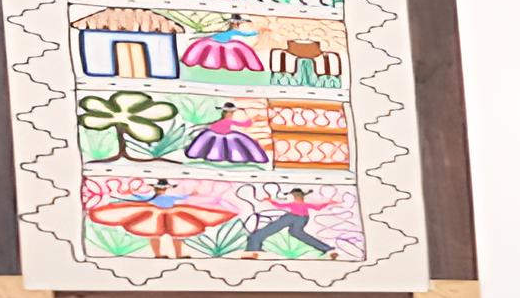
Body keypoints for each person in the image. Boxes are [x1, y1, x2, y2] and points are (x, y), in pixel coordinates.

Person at [87, 179, 238, 259]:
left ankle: (179, 255)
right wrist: (129, 193)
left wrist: (193, 194)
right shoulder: (150, 197)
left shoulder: (170, 196)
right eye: (159, 188)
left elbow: (183, 196)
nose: (161, 190)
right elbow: (137, 197)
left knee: (178, 234)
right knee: (155, 234)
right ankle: (159, 255)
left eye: (163, 188)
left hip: (172, 213)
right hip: (154, 214)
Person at [242, 189, 338, 258]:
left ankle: (253, 247)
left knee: (273, 228)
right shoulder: (303, 204)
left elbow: (279, 205)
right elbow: (318, 207)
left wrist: (270, 200)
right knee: (296, 233)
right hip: (302, 219)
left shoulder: (294, 204)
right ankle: (327, 249)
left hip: (293, 217)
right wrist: (329, 203)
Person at [185, 103, 269, 164]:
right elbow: (212, 126)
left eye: (231, 113)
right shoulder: (223, 121)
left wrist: (247, 118)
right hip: (216, 134)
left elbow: (245, 124)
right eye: (229, 113)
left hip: (225, 134)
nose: (230, 114)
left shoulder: (228, 121)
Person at [180, 14, 265, 72]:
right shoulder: (223, 29)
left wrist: (256, 32)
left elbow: (244, 34)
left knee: (234, 53)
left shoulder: (232, 31)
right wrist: (255, 32)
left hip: (224, 43)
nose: (237, 25)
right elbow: (244, 34)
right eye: (237, 23)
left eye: (238, 23)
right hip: (213, 42)